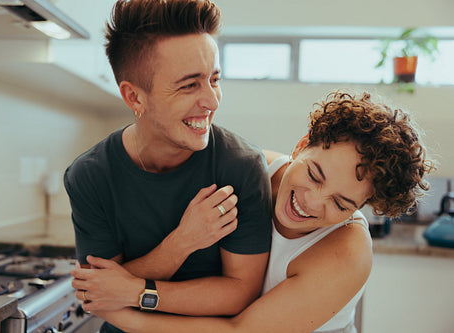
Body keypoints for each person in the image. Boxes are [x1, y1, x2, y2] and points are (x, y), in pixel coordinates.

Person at [80, 91, 435, 332]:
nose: (312, 202)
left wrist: (131, 313)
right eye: (314, 174)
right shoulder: (246, 171)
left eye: (341, 204)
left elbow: (241, 330)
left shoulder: (346, 252)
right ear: (301, 146)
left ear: (361, 208)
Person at [64, 0, 272, 332]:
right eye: (189, 85)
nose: (212, 100)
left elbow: (240, 293)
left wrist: (138, 291)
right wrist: (181, 243)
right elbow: (99, 290)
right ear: (134, 98)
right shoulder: (90, 176)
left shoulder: (241, 167)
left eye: (214, 79)